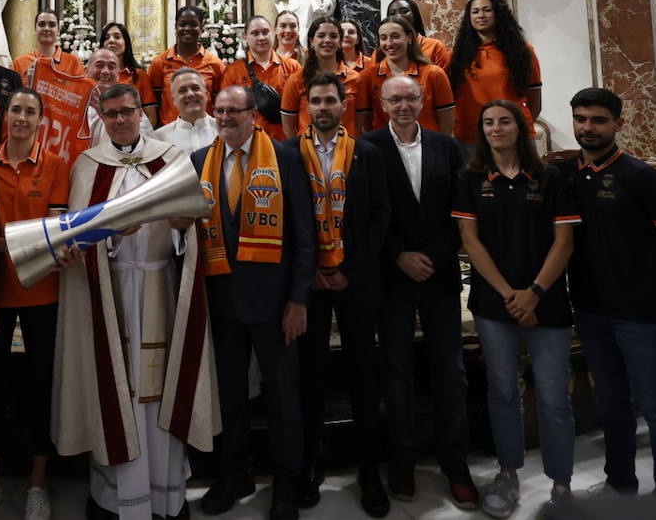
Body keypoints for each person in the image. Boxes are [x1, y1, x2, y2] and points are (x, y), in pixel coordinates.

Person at [56, 83, 216, 520]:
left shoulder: (170, 158)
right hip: (110, 300)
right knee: (117, 390)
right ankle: (114, 498)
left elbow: (195, 225)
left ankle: (166, 495)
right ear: (102, 119)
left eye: (127, 111)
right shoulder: (88, 165)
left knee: (161, 391)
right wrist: (108, 239)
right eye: (111, 114)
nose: (120, 120)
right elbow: (77, 240)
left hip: (161, 291)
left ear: (139, 112)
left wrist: (183, 229)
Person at [555, 87, 656, 495]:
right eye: (580, 119)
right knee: (612, 407)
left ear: (618, 123)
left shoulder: (645, 178)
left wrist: (639, 274)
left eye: (598, 120)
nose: (587, 128)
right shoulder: (566, 176)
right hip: (592, 309)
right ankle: (620, 485)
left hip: (641, 312)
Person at [193, 84, 314, 520]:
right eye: (219, 112)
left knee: (283, 396)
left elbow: (305, 237)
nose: (224, 119)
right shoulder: (198, 162)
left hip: (275, 303)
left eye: (233, 112)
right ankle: (234, 473)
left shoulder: (283, 159)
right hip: (221, 301)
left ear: (253, 116)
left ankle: (287, 481)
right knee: (230, 396)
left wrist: (298, 300)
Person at [454, 100, 578, 515]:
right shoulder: (470, 178)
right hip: (495, 303)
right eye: (488, 122)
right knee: (502, 392)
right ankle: (507, 475)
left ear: (521, 127)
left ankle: (561, 483)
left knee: (553, 396)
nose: (495, 128)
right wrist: (510, 293)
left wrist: (534, 293)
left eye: (504, 121)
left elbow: (564, 242)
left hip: (547, 302)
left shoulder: (550, 177)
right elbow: (470, 242)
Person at [361, 75, 479, 509]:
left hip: (441, 273)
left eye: (411, 96)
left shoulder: (448, 147)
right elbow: (368, 213)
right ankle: (403, 458)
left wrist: (435, 255)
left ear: (422, 99)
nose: (404, 104)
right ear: (382, 102)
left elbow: (460, 210)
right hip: (392, 278)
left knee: (451, 369)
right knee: (396, 369)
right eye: (395, 98)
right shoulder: (367, 147)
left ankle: (456, 462)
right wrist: (398, 256)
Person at [285, 73, 390, 516]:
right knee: (309, 379)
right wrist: (309, 273)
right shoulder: (288, 153)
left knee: (364, 377)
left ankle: (369, 472)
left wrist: (349, 270)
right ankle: (310, 464)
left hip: (354, 282)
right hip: (309, 284)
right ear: (306, 106)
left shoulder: (366, 152)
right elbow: (285, 219)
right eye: (316, 100)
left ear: (344, 104)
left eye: (331, 99)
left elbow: (380, 217)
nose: (323, 107)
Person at [0, 88, 70, 520]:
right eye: (16, 110)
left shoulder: (55, 166)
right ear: (5, 115)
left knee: (38, 390)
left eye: (31, 111)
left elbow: (54, 238)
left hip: (42, 297)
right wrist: (17, 243)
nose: (23, 118)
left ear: (41, 120)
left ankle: (36, 485)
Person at [447, 0, 542, 146]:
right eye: (475, 11)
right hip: (470, 140)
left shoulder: (522, 52)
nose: (481, 15)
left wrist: (516, 128)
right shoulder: (456, 57)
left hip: (514, 138)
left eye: (487, 10)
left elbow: (534, 99)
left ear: (498, 13)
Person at [358, 16, 455, 135]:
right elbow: (365, 122)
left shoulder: (434, 74)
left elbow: (447, 121)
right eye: (383, 38)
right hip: (384, 148)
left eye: (395, 36)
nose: (389, 43)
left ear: (409, 37)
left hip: (427, 146)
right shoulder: (367, 77)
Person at [221, 15, 301, 141]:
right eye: (255, 33)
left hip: (285, 142)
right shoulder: (233, 71)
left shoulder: (292, 67)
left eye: (265, 32)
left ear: (273, 33)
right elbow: (226, 110)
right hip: (249, 143)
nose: (261, 37)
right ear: (245, 37)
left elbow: (302, 106)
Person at [280, 17, 364, 137]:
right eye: (321, 35)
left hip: (346, 150)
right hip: (307, 151)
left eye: (333, 36)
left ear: (340, 42)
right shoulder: (296, 80)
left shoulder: (356, 79)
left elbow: (360, 123)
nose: (327, 40)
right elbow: (288, 127)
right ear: (311, 41)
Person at [148, 6, 224, 125]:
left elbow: (220, 103)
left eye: (193, 24)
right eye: (182, 24)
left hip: (206, 131)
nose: (187, 29)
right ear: (176, 28)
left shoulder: (215, 64)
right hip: (169, 131)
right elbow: (154, 103)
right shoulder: (159, 63)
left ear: (201, 28)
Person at [85, 48, 152, 146]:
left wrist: (104, 114)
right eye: (99, 65)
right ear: (86, 71)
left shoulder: (131, 106)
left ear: (117, 75)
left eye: (111, 67)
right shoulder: (74, 104)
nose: (105, 71)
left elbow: (147, 145)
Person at [101, 21, 159, 126]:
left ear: (126, 43)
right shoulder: (95, 75)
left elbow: (151, 116)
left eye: (117, 37)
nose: (111, 41)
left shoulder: (139, 76)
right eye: (106, 38)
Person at [154, 67, 218, 154]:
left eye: (195, 88)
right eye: (182, 91)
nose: (190, 94)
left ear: (206, 95)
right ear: (174, 100)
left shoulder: (223, 131)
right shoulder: (159, 138)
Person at [13, 9, 85, 79]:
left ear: (58, 31)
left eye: (52, 25)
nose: (47, 28)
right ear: (35, 30)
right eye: (41, 24)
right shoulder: (20, 63)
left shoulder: (73, 63)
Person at [385, 0, 451, 70]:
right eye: (392, 13)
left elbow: (442, 79)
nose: (398, 16)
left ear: (414, 15)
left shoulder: (435, 47)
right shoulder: (384, 49)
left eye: (404, 11)